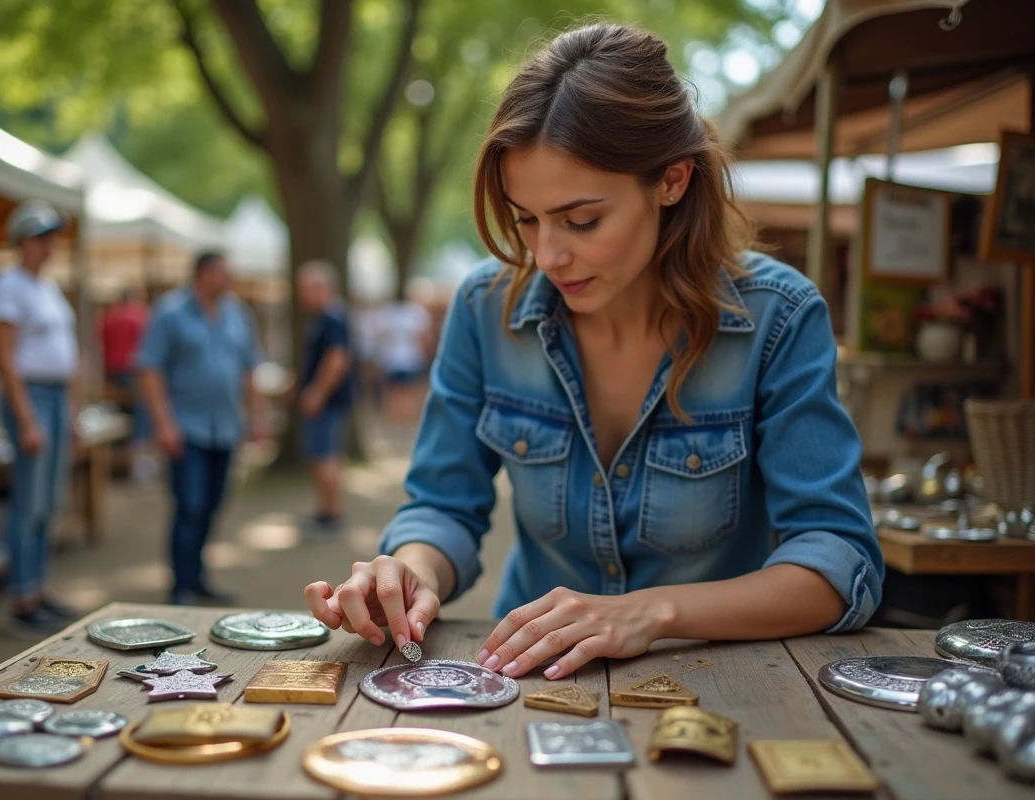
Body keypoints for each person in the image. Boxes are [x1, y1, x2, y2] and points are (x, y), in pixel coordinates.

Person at [305, 23, 883, 682]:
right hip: (527, 679)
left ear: (671, 181)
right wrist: (410, 571)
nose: (547, 255)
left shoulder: (779, 319)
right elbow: (443, 505)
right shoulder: (482, 308)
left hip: (718, 687)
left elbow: (840, 562)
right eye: (526, 218)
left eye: (581, 221)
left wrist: (650, 612)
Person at [139, 251, 268, 606]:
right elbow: (150, 369)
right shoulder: (170, 312)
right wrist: (164, 423)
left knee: (212, 504)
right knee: (189, 506)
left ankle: (198, 578)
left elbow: (249, 369)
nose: (229, 280)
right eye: (223, 274)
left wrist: (256, 417)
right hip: (186, 428)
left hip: (225, 428)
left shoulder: (237, 313)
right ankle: (180, 586)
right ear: (203, 274)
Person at [0, 199, 80, 637]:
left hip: (56, 398)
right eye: (43, 237)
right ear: (23, 240)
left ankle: (38, 590)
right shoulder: (9, 286)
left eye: (52, 237)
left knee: (49, 500)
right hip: (33, 397)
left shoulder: (46, 287)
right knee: (30, 501)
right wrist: (26, 419)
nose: (51, 245)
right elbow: (4, 359)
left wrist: (72, 412)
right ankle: (23, 597)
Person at [296, 260, 354, 533]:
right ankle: (327, 512)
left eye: (306, 288)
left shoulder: (332, 318)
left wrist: (317, 393)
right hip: (327, 401)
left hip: (328, 403)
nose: (302, 295)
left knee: (325, 457)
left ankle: (332, 515)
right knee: (323, 456)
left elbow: (338, 358)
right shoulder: (325, 318)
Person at [100, 288, 154, 482]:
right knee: (142, 414)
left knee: (117, 415)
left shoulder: (107, 317)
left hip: (113, 374)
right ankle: (139, 465)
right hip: (134, 373)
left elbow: (102, 345)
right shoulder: (141, 316)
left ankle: (113, 464)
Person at [373, 293, 432, 436]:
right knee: (409, 395)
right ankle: (407, 429)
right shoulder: (416, 312)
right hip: (410, 360)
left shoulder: (387, 313)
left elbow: (380, 338)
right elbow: (424, 338)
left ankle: (396, 430)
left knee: (394, 396)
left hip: (393, 360)